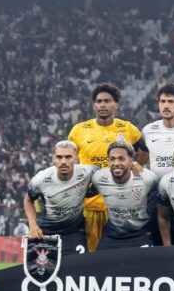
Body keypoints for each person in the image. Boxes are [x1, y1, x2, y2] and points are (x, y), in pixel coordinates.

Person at [67, 83, 142, 251]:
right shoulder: (79, 130)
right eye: (99, 101)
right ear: (94, 105)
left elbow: (143, 152)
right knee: (90, 256)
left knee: (117, 256)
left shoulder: (128, 129)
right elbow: (68, 163)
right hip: (89, 205)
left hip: (119, 205)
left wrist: (137, 164)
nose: (102, 104)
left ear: (116, 104)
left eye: (107, 101)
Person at [24, 141, 95, 256]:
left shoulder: (88, 171)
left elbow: (108, 176)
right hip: (47, 232)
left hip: (74, 232)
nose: (63, 162)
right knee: (42, 273)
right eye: (59, 157)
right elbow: (28, 200)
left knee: (79, 270)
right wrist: (33, 225)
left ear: (76, 159)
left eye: (68, 157)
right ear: (54, 159)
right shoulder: (41, 179)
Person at [91, 141, 159, 250]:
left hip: (140, 232)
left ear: (131, 160)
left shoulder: (149, 178)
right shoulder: (98, 178)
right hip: (114, 233)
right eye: (112, 159)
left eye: (122, 159)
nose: (116, 163)